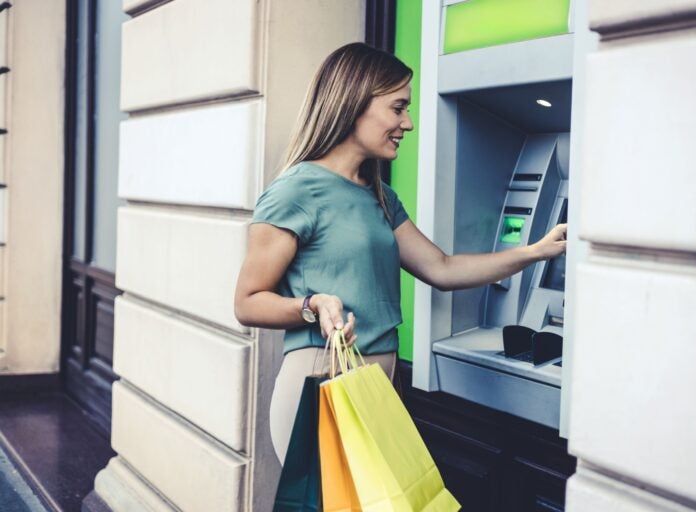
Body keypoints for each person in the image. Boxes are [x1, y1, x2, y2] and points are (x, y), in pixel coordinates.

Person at [233, 42, 567, 465]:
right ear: (353, 103)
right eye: (397, 108)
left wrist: (534, 252)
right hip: (323, 382)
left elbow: (441, 268)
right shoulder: (295, 191)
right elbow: (246, 301)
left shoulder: (379, 195)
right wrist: (311, 305)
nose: (407, 123)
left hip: (380, 385)